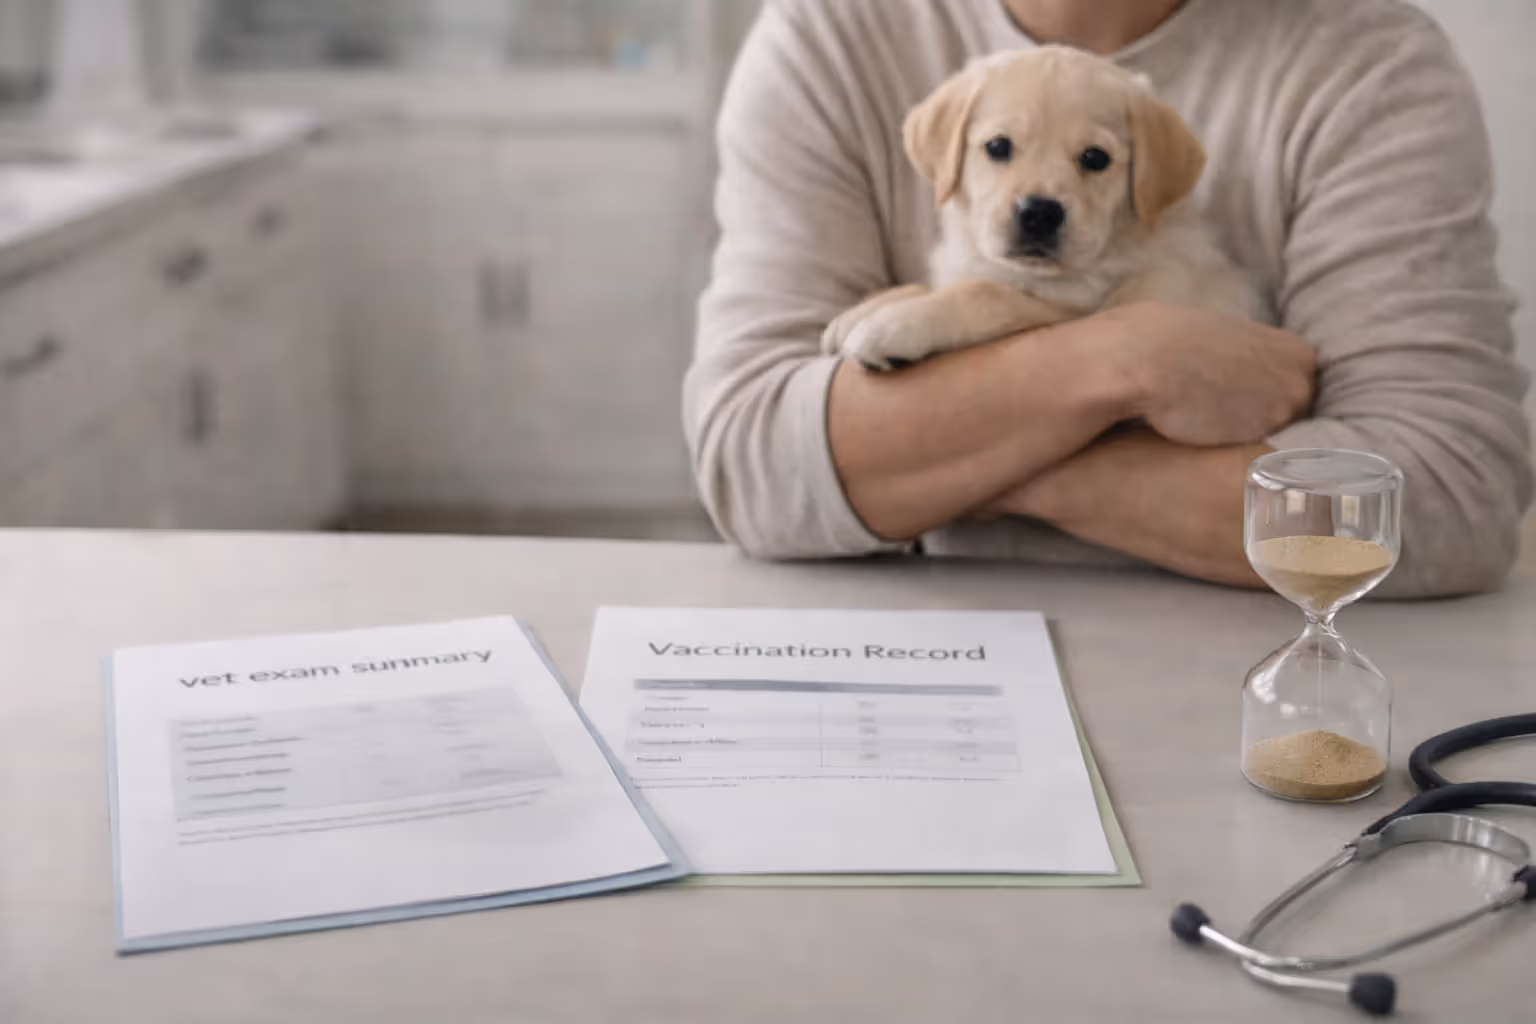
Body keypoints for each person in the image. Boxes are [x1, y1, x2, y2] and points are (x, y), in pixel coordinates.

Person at [684, 0, 1533, 596]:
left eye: (1094, 161)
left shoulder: (1370, 63)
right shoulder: (827, 33)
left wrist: (928, 460)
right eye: (999, 150)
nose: (1038, 197)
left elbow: (1450, 498)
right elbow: (754, 466)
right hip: (929, 643)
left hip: (1230, 648)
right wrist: (1126, 360)